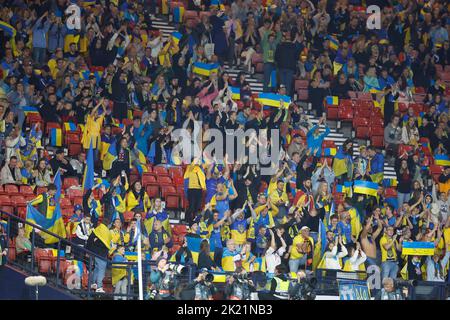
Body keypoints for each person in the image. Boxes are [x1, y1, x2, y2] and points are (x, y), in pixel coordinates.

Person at [86, 218, 111, 293]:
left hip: (94, 253)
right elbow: (106, 244)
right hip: (102, 254)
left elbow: (89, 239)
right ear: (108, 225)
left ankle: (93, 283)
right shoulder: (107, 232)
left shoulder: (97, 229)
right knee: (101, 269)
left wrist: (88, 250)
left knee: (97, 268)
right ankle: (99, 287)